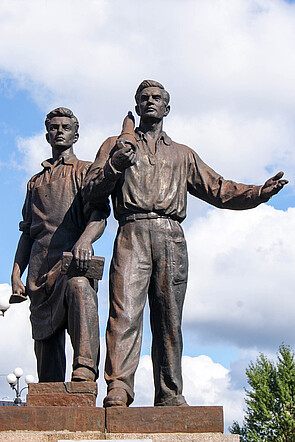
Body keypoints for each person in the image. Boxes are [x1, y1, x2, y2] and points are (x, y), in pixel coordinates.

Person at [82, 80, 288, 407]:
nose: (150, 102)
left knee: (169, 318)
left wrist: (258, 193)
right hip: (132, 233)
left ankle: (170, 392)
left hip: (170, 236)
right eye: (144, 98)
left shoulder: (182, 154)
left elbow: (218, 188)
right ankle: (118, 388)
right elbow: (90, 191)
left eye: (157, 98)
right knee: (124, 314)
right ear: (136, 107)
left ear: (167, 108)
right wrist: (114, 164)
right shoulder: (115, 144)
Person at [11, 107, 109, 383]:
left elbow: (99, 215)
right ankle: (49, 392)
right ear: (47, 135)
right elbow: (27, 232)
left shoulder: (86, 172)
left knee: (80, 291)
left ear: (76, 134)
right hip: (40, 272)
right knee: (45, 345)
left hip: (73, 264)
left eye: (66, 127)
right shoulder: (35, 181)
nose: (59, 132)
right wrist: (16, 272)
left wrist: (84, 241)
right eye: (54, 128)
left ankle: (85, 369)